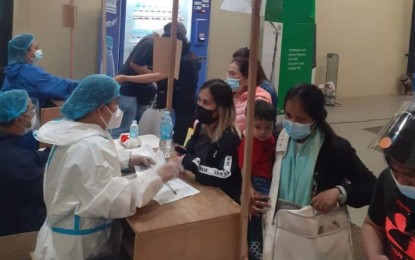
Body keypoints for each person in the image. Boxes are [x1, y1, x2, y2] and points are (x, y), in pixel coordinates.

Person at [33, 74, 183, 259]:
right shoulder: (89, 146)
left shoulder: (75, 131)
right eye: (115, 103)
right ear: (100, 109)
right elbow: (116, 201)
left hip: (65, 233)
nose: (117, 109)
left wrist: (127, 159)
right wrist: (159, 175)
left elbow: (85, 168)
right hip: (78, 247)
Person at [250, 84, 377, 258]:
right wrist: (251, 190)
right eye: (287, 115)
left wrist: (339, 192)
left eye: (301, 119)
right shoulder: (278, 138)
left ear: (316, 118)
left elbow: (373, 187)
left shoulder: (335, 148)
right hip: (279, 228)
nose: (292, 123)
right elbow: (256, 168)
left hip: (317, 235)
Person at [116, 23, 201, 145]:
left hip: (184, 105)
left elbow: (155, 76)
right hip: (186, 102)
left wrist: (125, 78)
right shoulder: (189, 54)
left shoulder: (181, 60)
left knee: (178, 140)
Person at [172, 79, 242, 203]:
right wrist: (180, 151)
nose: (199, 105)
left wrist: (190, 162)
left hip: (221, 199)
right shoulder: (201, 126)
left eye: (206, 102)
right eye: (199, 100)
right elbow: (191, 151)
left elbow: (225, 174)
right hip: (198, 189)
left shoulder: (231, 137)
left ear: (220, 109)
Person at [362, 103, 415, 259]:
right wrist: (375, 254)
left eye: (410, 176)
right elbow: (372, 225)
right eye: (395, 170)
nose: (400, 180)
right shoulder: (388, 180)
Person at [0, 89, 48, 236]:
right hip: (16, 228)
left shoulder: (10, 146)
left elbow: (31, 157)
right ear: (18, 120)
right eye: (30, 110)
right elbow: (46, 193)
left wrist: (51, 152)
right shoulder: (18, 161)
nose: (33, 113)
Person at [237, 99, 276, 260]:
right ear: (248, 124)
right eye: (258, 127)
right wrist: (249, 187)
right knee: (258, 213)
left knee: (268, 215)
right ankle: (256, 249)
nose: (263, 132)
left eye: (268, 128)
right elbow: (244, 167)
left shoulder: (270, 139)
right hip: (258, 181)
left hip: (271, 179)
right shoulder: (249, 144)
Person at [2, 33, 78, 108]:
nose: (39, 51)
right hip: (27, 117)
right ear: (27, 54)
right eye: (36, 48)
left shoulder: (12, 70)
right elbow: (62, 86)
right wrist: (85, 84)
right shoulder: (31, 73)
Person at [227, 56, 272, 133]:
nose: (229, 77)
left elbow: (259, 131)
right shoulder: (227, 95)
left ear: (247, 78)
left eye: (233, 74)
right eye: (228, 73)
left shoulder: (258, 101)